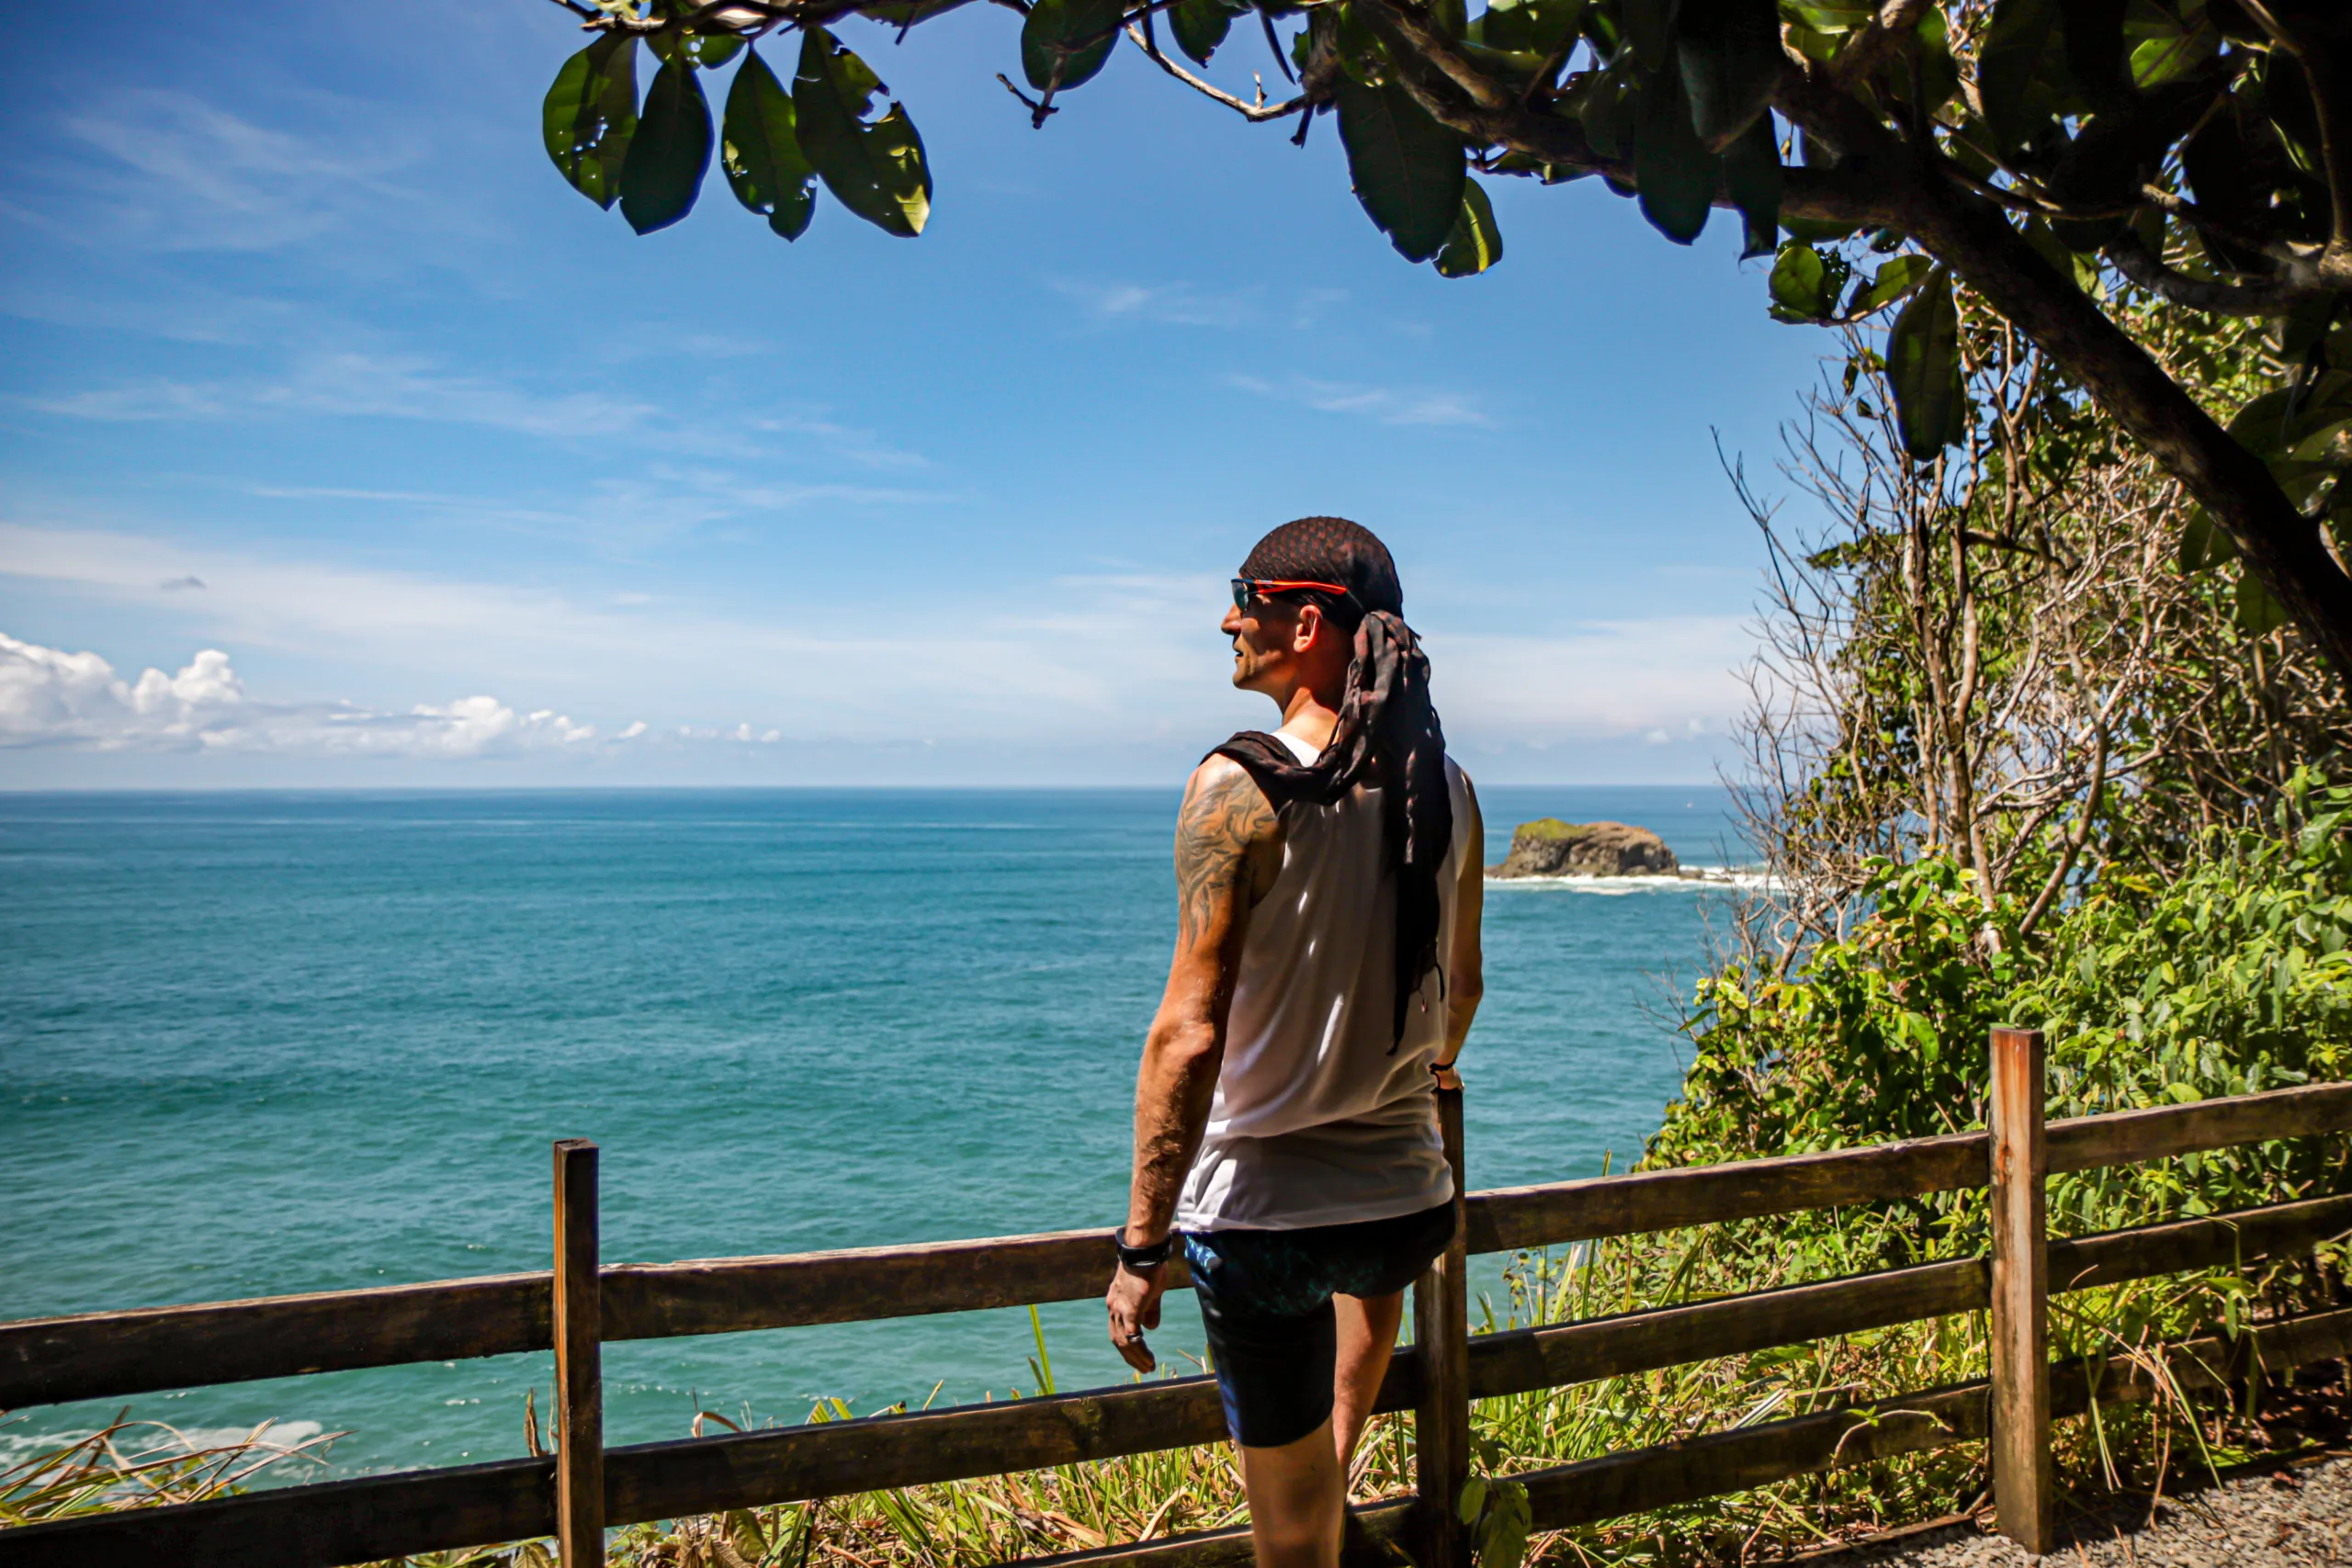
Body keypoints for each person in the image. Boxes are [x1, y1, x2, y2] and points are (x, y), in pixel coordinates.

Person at [1104, 517, 1486, 1568]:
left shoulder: (1239, 788)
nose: (1229, 619)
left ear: (1304, 619)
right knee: (1324, 1469)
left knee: (1289, 1535)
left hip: (1265, 1220)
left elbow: (1187, 1037)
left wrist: (1140, 1249)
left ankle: (1316, 1523)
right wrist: (1401, 1076)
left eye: (1245, 596)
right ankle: (1335, 1493)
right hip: (1405, 1202)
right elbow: (1461, 995)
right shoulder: (1444, 791)